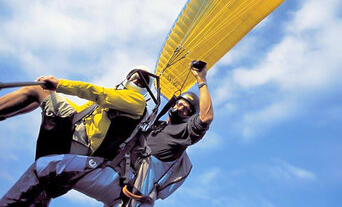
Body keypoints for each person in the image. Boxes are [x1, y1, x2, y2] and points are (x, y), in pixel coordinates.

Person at [0, 63, 213, 206]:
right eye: (181, 104)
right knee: (50, 172)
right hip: (114, 176)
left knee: (47, 167)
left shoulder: (182, 133)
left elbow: (205, 118)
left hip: (124, 188)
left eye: (188, 109)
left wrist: (201, 79)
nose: (183, 108)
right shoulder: (153, 126)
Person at [0, 66, 153, 160]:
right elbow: (80, 111)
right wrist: (53, 91)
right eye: (136, 77)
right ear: (128, 77)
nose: (139, 81)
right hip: (78, 133)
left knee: (37, 89)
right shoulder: (117, 98)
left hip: (81, 142)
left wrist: (60, 84)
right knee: (43, 93)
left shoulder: (137, 101)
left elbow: (99, 94)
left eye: (144, 81)